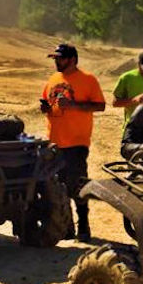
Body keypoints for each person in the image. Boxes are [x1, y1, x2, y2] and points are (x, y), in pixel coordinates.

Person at [40, 43, 105, 242]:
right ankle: (66, 226)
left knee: (77, 184)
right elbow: (48, 103)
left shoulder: (88, 79)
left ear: (72, 59)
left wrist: (73, 105)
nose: (56, 62)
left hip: (76, 142)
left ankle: (84, 225)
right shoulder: (53, 79)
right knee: (58, 186)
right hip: (55, 142)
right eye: (55, 59)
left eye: (60, 58)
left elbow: (100, 105)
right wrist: (46, 108)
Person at [112, 50, 143, 135]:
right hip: (133, 129)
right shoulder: (127, 78)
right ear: (139, 63)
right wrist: (135, 100)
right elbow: (115, 103)